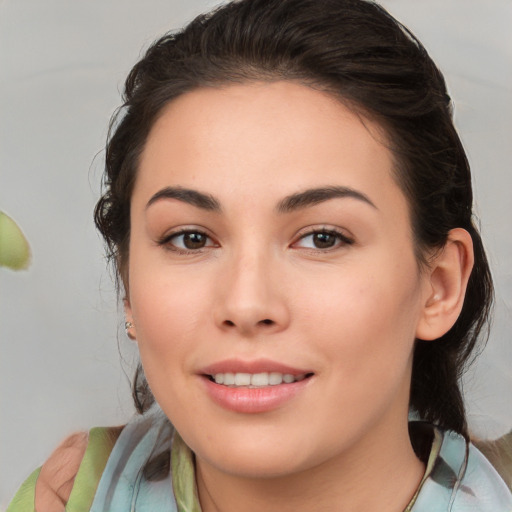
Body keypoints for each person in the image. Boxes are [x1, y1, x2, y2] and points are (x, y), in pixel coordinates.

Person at [8, 0, 512, 510]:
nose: (247, 304)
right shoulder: (68, 497)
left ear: (439, 286)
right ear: (129, 286)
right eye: (191, 238)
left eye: (322, 238)